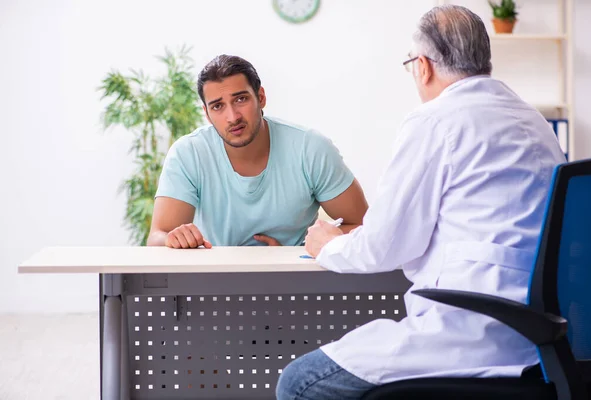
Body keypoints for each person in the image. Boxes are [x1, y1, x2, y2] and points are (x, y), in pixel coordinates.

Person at [277, 4, 567, 399]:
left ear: (423, 66)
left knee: (300, 383)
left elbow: (384, 246)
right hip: (548, 340)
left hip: (473, 332)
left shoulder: (434, 120)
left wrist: (328, 245)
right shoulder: (534, 121)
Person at [147, 55, 368, 248]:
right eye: (218, 106)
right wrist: (173, 239)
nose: (232, 117)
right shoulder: (188, 153)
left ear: (260, 97)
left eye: (240, 99)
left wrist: (299, 250)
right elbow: (157, 237)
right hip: (212, 285)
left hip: (295, 284)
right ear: (207, 113)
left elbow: (364, 227)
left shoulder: (310, 148)